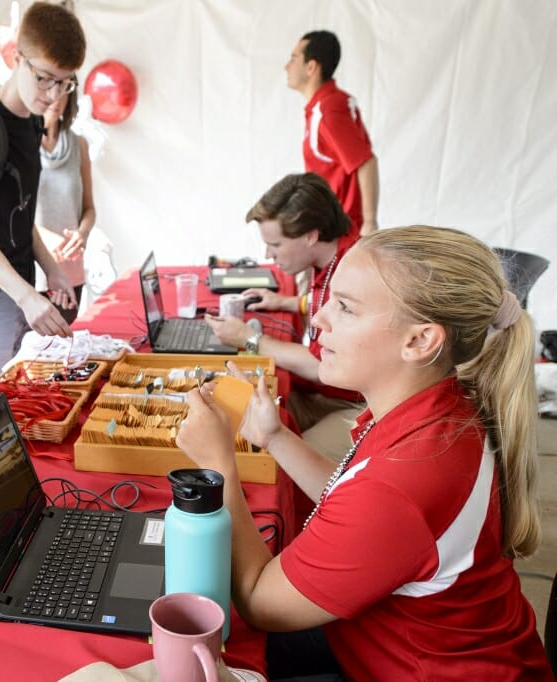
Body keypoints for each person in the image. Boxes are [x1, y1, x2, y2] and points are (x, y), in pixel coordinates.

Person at [178, 225, 550, 679]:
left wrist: (219, 468)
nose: (318, 321)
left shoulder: (406, 481)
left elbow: (260, 602)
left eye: (346, 308)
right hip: (389, 639)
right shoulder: (436, 404)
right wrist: (275, 437)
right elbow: (349, 493)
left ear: (419, 341)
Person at [0, 1, 86, 380]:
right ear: (15, 56)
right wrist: (27, 296)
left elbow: (20, 215)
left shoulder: (31, 126)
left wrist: (53, 271)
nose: (54, 94)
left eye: (65, 82)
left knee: (19, 402)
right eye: (45, 78)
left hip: (22, 286)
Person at [206, 173, 364, 460]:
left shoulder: (352, 274)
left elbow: (321, 365)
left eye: (276, 245)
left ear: (310, 235)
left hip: (356, 406)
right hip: (327, 392)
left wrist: (248, 338)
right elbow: (326, 307)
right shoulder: (332, 255)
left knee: (274, 460)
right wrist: (288, 302)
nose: (268, 254)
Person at [286, 30, 379, 237]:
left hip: (341, 232)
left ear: (311, 67)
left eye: (293, 58)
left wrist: (370, 222)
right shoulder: (326, 105)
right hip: (330, 225)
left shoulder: (328, 110)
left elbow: (365, 162)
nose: (287, 66)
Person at [34, 86, 95, 324]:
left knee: (65, 346)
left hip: (71, 269)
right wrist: (46, 239)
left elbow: (89, 208)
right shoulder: (23, 145)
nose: (56, 97)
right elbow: (12, 213)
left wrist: (82, 233)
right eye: (49, 86)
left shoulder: (79, 145)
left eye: (64, 89)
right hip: (34, 270)